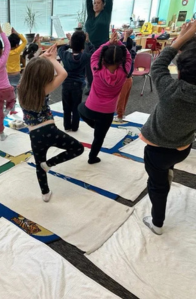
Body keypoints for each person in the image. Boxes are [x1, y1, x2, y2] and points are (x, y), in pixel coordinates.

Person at [141, 21, 196, 235]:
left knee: (157, 186)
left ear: (180, 71)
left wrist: (182, 37)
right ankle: (167, 174)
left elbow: (158, 63)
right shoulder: (171, 87)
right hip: (182, 149)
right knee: (165, 171)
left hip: (157, 151)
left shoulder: (169, 88)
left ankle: (157, 223)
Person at [18, 44, 84, 202]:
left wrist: (42, 57)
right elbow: (63, 73)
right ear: (43, 78)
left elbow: (30, 70)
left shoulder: (21, 88)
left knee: (38, 163)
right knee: (77, 148)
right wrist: (52, 59)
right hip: (50, 131)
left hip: (34, 134)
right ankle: (50, 164)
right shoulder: (44, 89)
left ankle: (45, 193)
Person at [78, 31, 131, 164]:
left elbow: (95, 55)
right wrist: (119, 42)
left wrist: (109, 43)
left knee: (79, 107)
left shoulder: (97, 69)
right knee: (99, 137)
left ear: (103, 59)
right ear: (121, 61)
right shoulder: (124, 72)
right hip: (107, 113)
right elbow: (129, 57)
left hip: (90, 108)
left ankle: (95, 125)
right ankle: (92, 158)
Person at [58, 31, 95, 131]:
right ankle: (75, 127)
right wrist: (88, 42)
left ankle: (67, 126)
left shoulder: (65, 55)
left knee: (66, 107)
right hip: (78, 85)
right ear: (82, 45)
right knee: (76, 107)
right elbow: (93, 51)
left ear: (72, 44)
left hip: (66, 84)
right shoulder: (85, 57)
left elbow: (61, 49)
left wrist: (70, 42)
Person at [84, 0, 113, 95]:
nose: (96, 5)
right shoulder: (91, 14)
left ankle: (100, 87)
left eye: (98, 3)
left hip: (101, 46)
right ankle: (91, 86)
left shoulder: (106, 13)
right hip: (88, 45)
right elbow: (88, 2)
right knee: (89, 67)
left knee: (99, 67)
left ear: (103, 5)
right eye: (94, 3)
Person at [114, 30, 137, 122]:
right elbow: (124, 46)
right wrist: (125, 36)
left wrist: (126, 36)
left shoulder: (126, 56)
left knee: (121, 99)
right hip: (129, 79)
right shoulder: (131, 53)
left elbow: (123, 47)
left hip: (125, 80)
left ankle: (119, 116)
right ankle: (121, 114)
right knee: (124, 99)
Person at [7, 28, 27, 95]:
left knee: (9, 91)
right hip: (16, 74)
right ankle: (13, 102)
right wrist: (16, 33)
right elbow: (25, 41)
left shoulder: (5, 52)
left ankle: (9, 103)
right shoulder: (17, 51)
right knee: (14, 90)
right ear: (16, 45)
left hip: (7, 75)